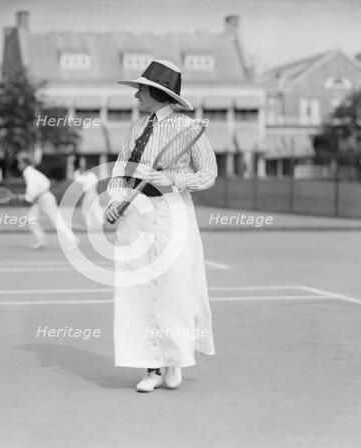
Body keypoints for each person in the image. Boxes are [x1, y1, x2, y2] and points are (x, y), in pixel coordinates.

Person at [104, 60, 217, 392]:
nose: (136, 94)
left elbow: (208, 174)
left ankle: (174, 359)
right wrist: (115, 200)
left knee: (174, 289)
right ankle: (151, 367)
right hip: (136, 216)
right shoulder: (137, 128)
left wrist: (171, 179)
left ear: (158, 93)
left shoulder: (189, 128)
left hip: (172, 214)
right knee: (138, 292)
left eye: (141, 89)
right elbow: (122, 168)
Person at [17, 153, 79, 250]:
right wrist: (27, 197)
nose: (18, 165)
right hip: (40, 199)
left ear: (25, 163)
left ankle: (72, 240)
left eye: (20, 163)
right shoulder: (31, 172)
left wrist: (26, 198)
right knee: (31, 218)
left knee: (56, 222)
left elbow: (32, 189)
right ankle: (41, 239)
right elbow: (35, 188)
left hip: (45, 199)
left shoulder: (28, 172)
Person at [73, 164, 104, 229]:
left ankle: (88, 224)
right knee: (97, 209)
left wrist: (76, 173)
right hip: (95, 194)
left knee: (85, 209)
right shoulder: (93, 175)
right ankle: (101, 222)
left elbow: (78, 180)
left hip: (89, 195)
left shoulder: (88, 177)